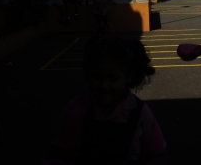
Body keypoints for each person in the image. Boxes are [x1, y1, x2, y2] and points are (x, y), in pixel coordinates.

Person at [43, 36, 167, 164]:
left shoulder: (140, 114)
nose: (104, 85)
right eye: (97, 77)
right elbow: (58, 153)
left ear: (129, 76)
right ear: (88, 73)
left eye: (113, 79)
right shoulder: (75, 110)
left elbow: (157, 155)